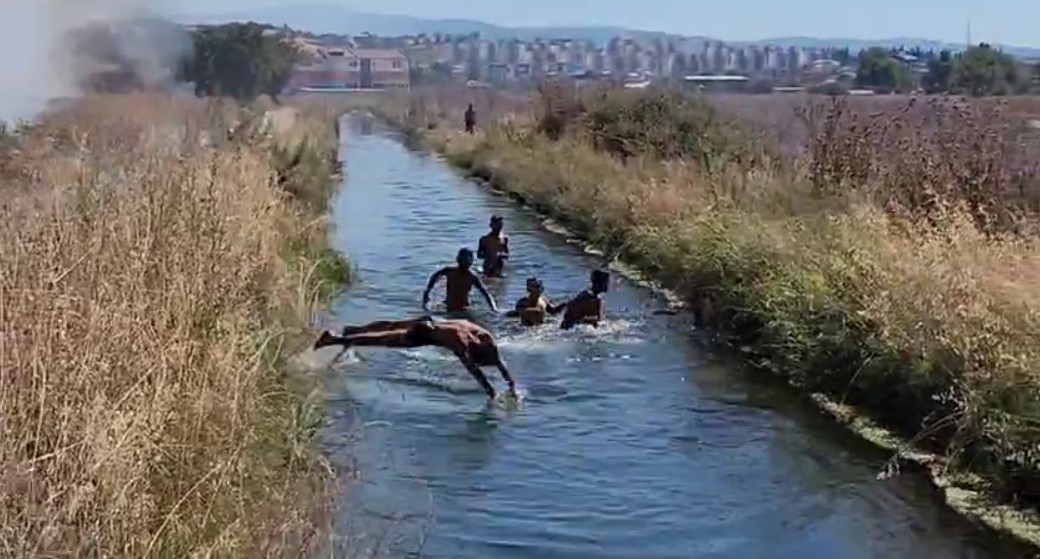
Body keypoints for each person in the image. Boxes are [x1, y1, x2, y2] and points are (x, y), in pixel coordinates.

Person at [314, 316, 516, 399]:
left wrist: (511, 385)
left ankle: (353, 331)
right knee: (383, 340)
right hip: (424, 334)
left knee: (390, 326)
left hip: (432, 321)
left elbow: (500, 364)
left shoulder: (485, 337)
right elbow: (472, 368)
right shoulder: (460, 343)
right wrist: (491, 392)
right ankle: (335, 338)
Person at [422, 248, 500, 314]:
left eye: (467, 261)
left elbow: (486, 293)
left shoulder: (472, 276)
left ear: (471, 262)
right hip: (448, 306)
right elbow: (434, 277)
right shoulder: (449, 271)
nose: (465, 264)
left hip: (464, 308)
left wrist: (494, 308)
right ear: (458, 260)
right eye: (464, 261)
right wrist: (427, 292)